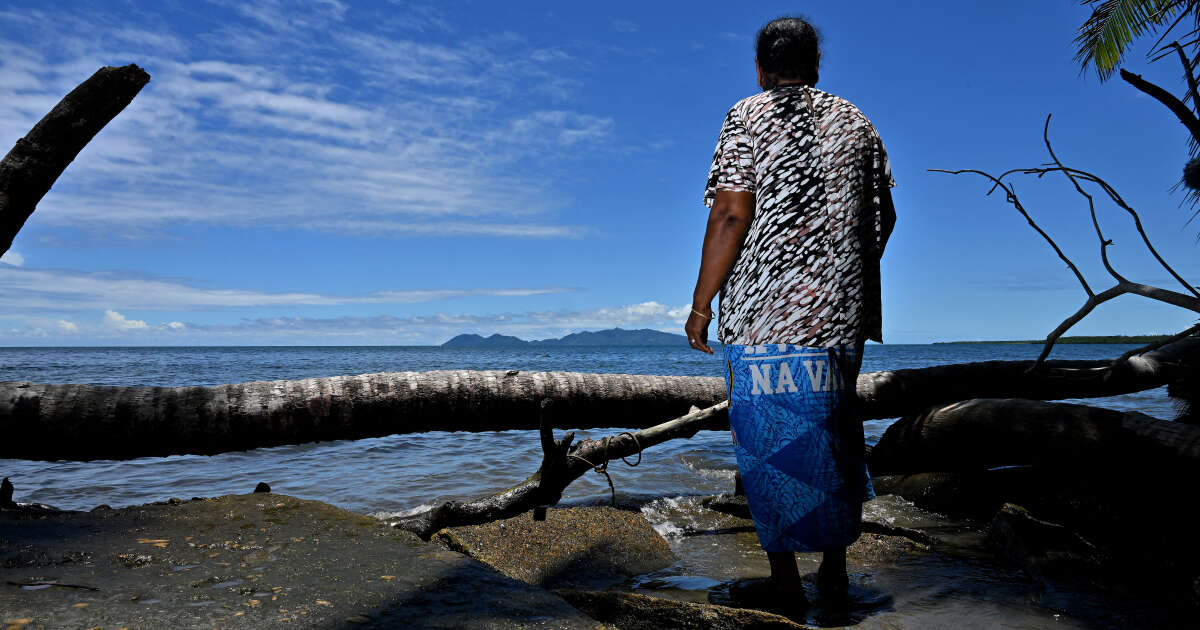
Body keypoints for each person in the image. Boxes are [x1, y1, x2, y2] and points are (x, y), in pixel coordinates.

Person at [685, 15, 896, 610]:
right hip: (838, 316)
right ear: (816, 65)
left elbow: (730, 213)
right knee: (834, 432)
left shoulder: (747, 116)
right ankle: (834, 573)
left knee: (766, 444)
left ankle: (783, 582)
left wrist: (701, 305)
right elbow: (883, 218)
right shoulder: (858, 123)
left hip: (764, 318)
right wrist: (839, 276)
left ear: (759, 67)